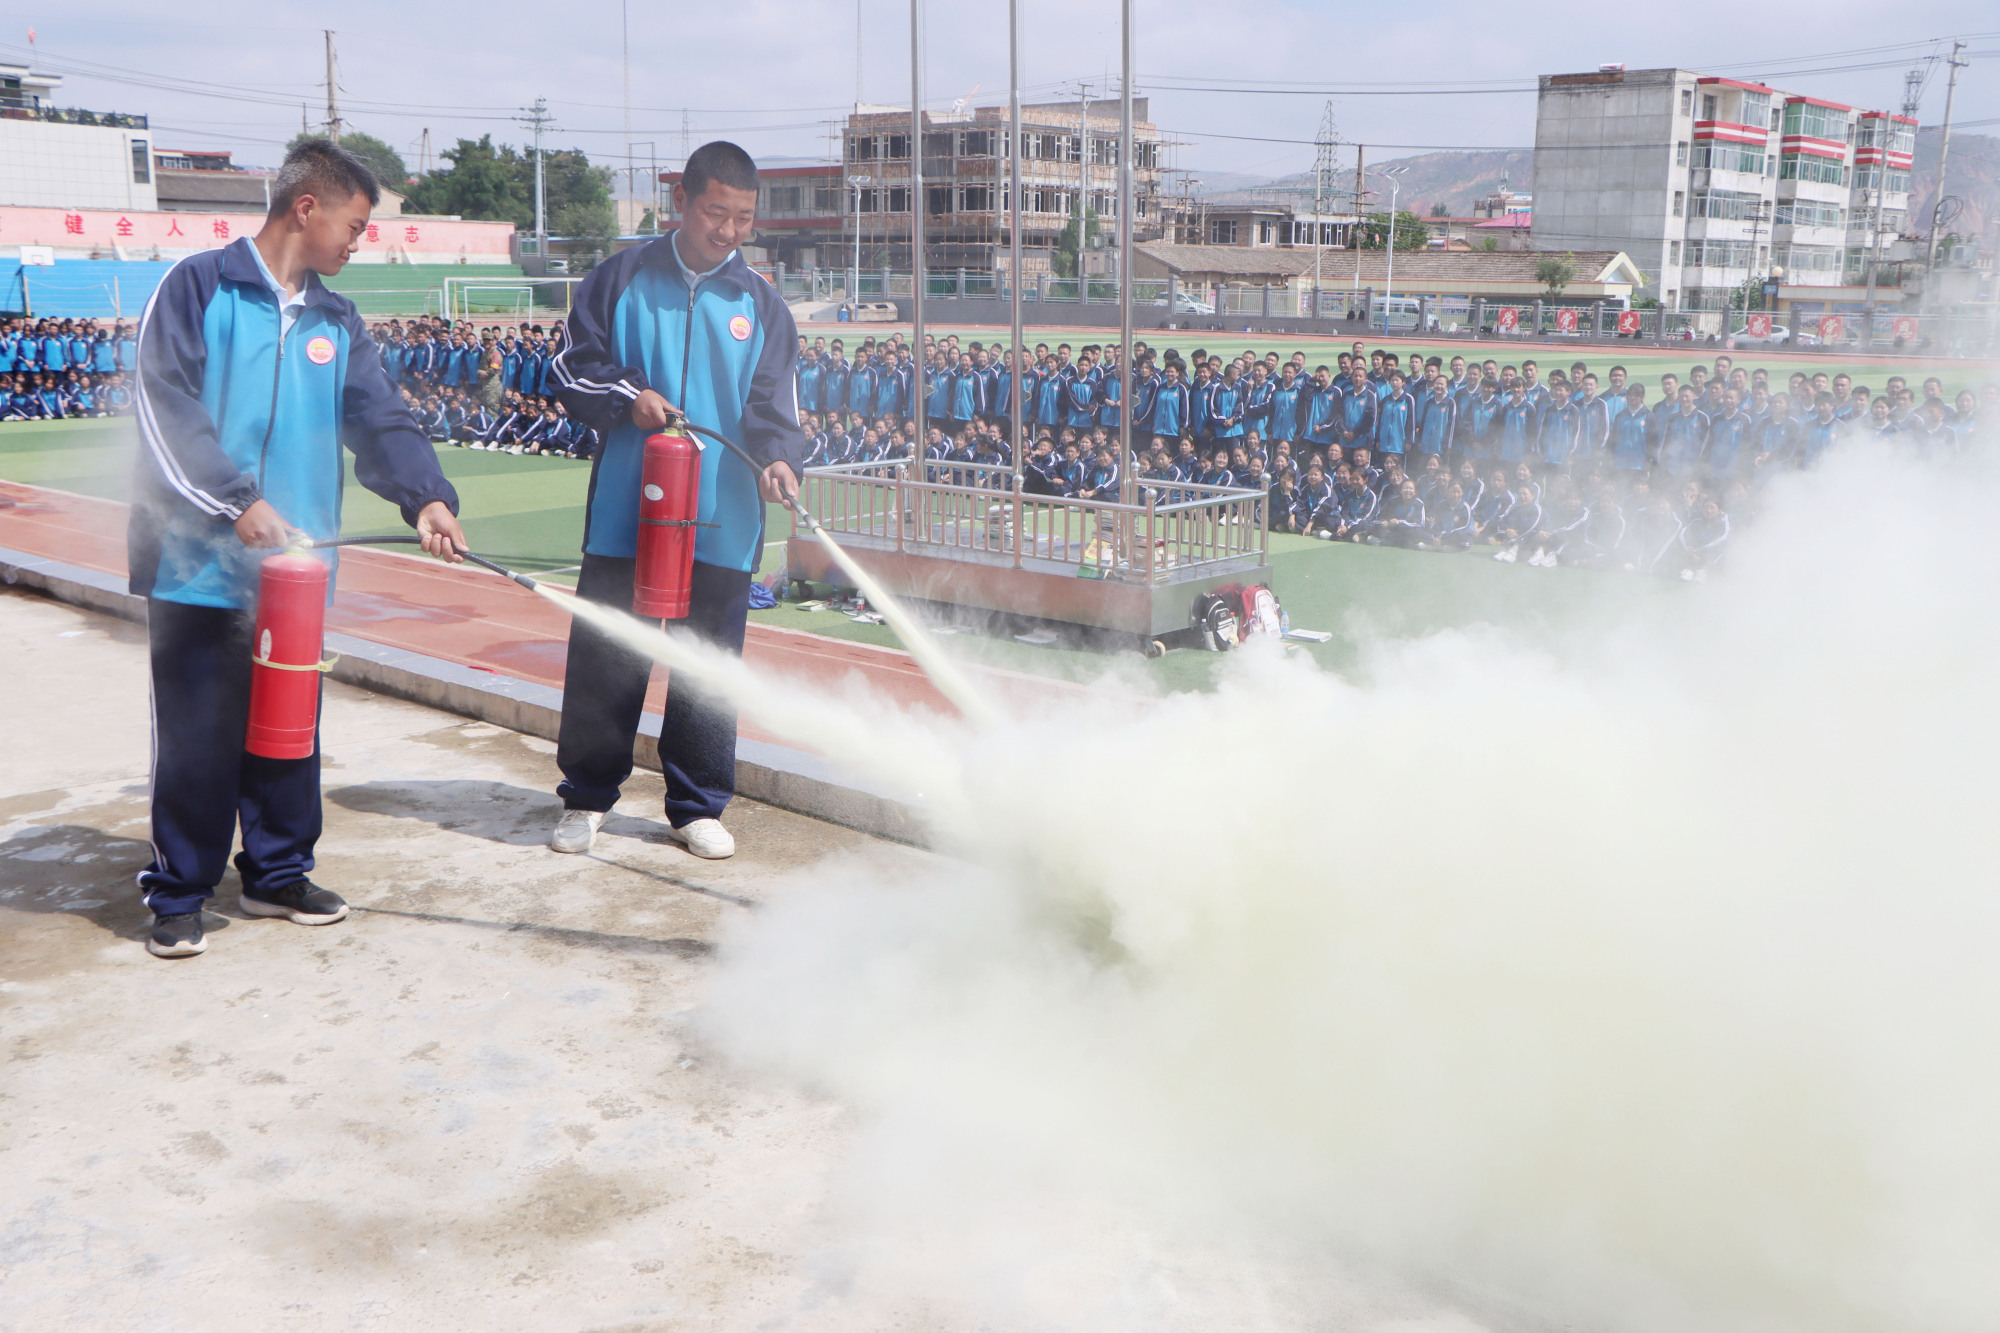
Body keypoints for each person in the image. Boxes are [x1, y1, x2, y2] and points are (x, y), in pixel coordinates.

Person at [129, 139, 468, 960]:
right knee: (199, 737)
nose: (361, 241)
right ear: (305, 209)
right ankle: (180, 890)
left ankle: (277, 871)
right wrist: (235, 501)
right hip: (198, 567)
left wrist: (426, 496)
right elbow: (163, 407)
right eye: (354, 224)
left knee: (289, 729)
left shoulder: (337, 319)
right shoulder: (197, 288)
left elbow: (382, 418)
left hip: (296, 579)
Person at [546, 141, 804, 861]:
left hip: (723, 517)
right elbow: (572, 367)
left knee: (706, 663)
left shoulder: (763, 305)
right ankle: (588, 796)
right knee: (608, 655)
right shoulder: (619, 277)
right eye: (715, 212)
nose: (727, 230)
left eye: (743, 218)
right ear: (682, 203)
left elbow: (773, 408)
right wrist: (630, 396)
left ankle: (696, 804)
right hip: (630, 510)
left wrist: (781, 460)